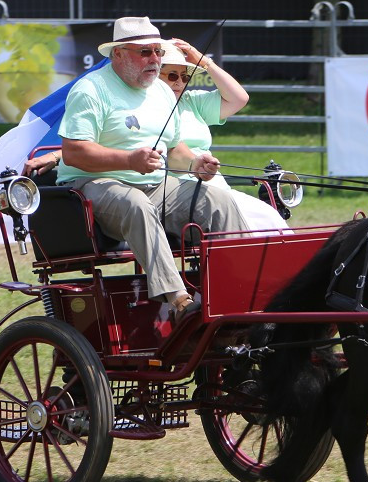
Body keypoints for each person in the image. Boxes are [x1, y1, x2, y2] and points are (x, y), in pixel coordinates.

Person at [23, 16, 249, 322]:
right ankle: (180, 300)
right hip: (94, 186)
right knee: (136, 204)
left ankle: (241, 293)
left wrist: (196, 164)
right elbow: (75, 152)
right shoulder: (91, 90)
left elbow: (174, 149)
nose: (155, 59)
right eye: (145, 52)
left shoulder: (161, 92)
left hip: (156, 184)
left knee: (218, 201)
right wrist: (129, 160)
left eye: (157, 51)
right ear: (117, 53)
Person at [158, 40, 291, 233]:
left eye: (185, 77)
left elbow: (239, 98)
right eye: (172, 75)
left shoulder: (192, 101)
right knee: (248, 228)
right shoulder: (148, 107)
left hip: (218, 188)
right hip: (180, 191)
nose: (179, 82)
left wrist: (206, 63)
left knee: (271, 218)